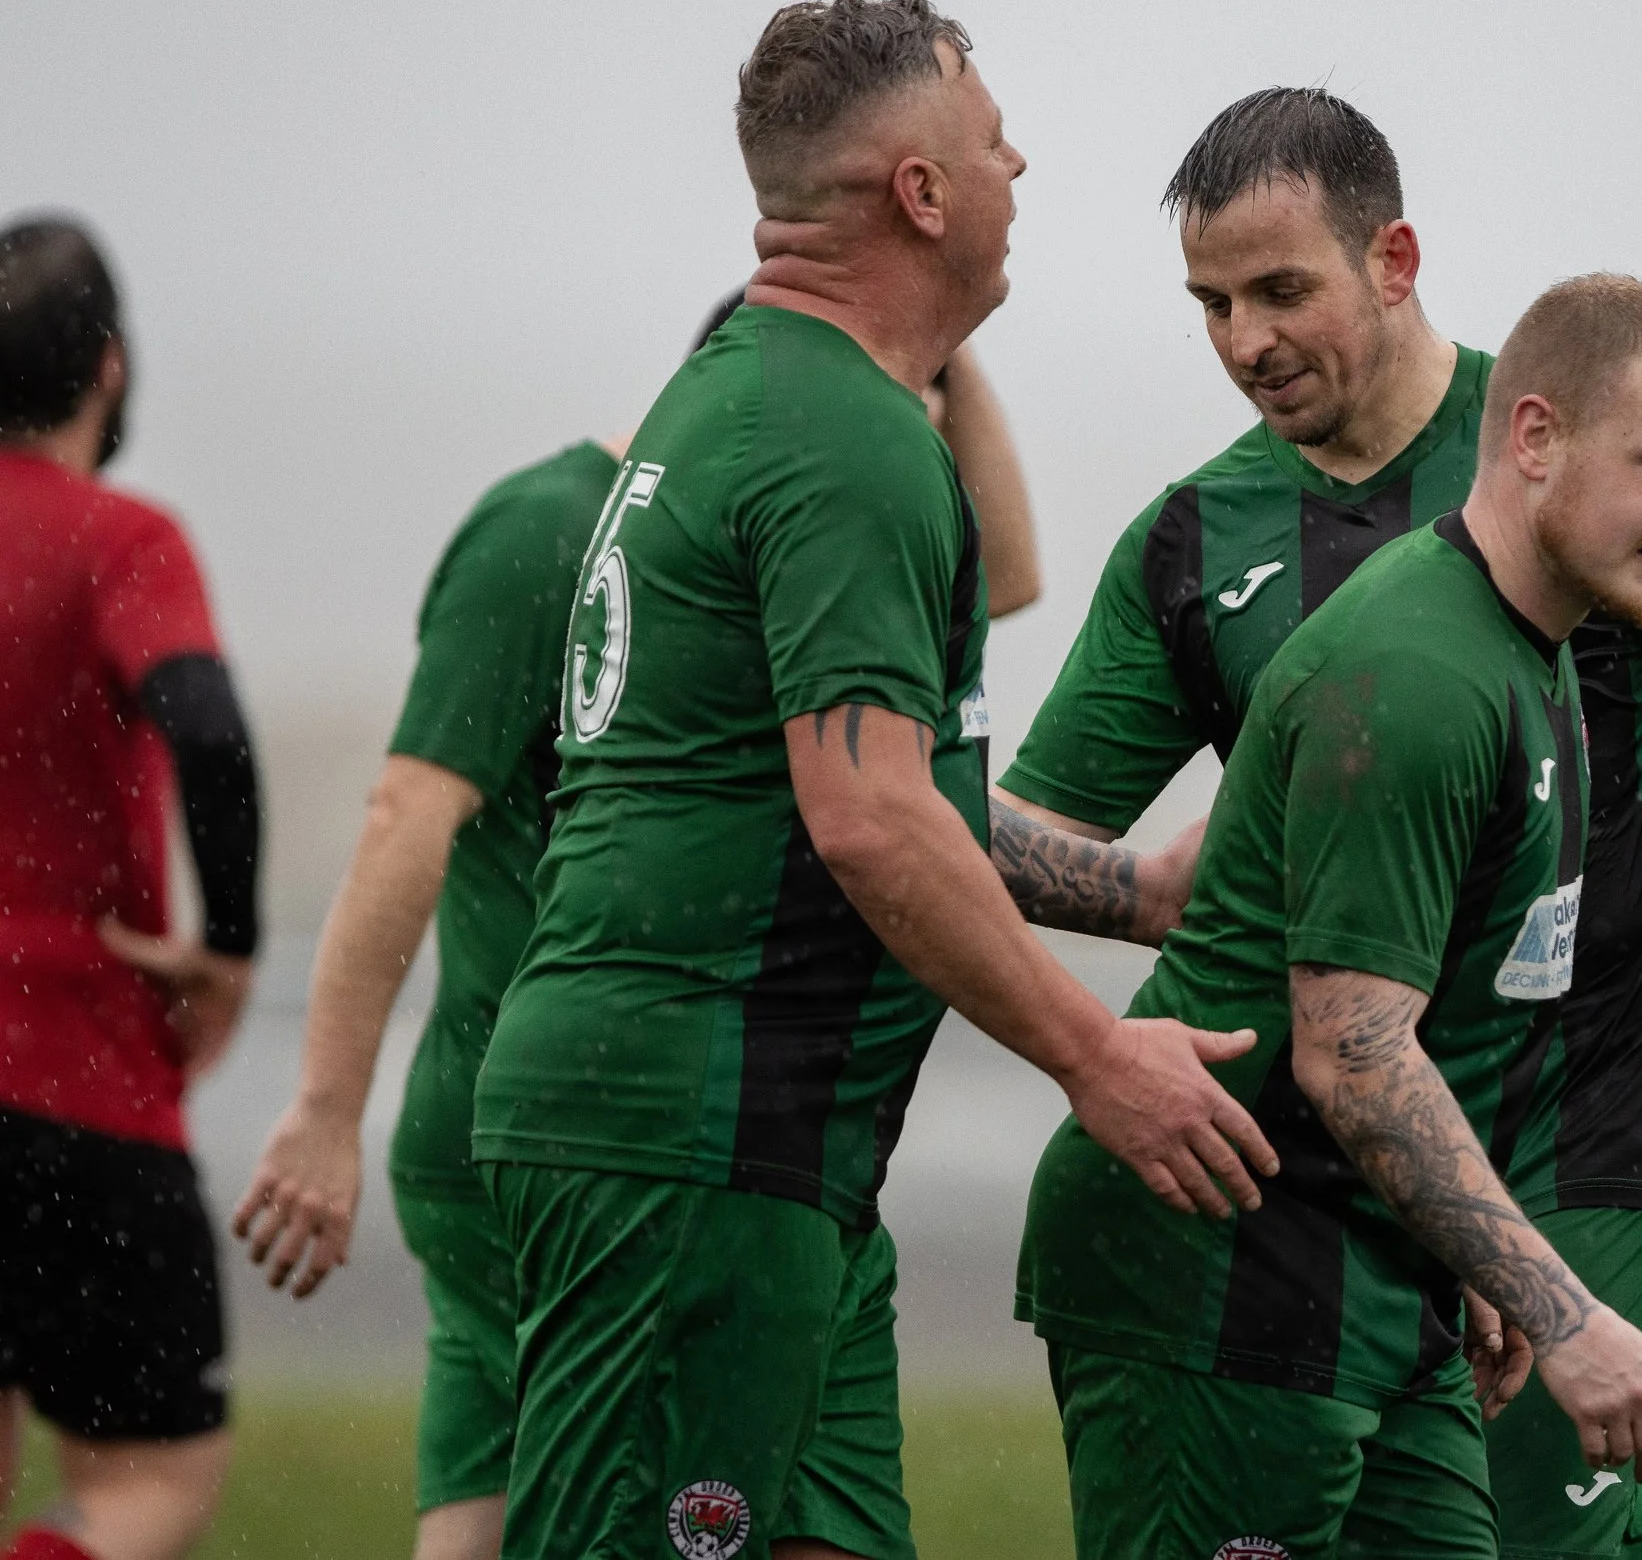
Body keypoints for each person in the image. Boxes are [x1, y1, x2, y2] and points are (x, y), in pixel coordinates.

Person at [1000, 90, 1642, 1559]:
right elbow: (1329, 1032)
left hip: (1583, 1139)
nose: (1245, 340)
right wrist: (1145, 900)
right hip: (1311, 1185)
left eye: (1281, 289)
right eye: (1214, 305)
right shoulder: (1292, 580)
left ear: (1395, 259)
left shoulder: (1606, 442)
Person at [466, 0, 1273, 1560]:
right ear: (921, 191)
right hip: (689, 1138)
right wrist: (1096, 1058)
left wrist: (1132, 890)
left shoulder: (753, 389)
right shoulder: (842, 436)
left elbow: (838, 787)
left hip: (767, 1153)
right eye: (994, 141)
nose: (1019, 165)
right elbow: (869, 821)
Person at [224, 271, 1043, 1560]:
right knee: (590, 1508)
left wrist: (939, 325)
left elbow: (1006, 572)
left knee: (520, 1510)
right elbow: (404, 815)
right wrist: (327, 1110)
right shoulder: (551, 527)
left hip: (716, 1123)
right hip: (584, 1116)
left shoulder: (783, 519)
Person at [1023, 272, 1642, 1558]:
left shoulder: (1530, 647)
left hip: (1372, 1265)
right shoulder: (1419, 673)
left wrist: (1475, 1254)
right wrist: (1565, 1309)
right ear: (1535, 438)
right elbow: (1353, 1054)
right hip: (1222, 1272)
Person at [0, 217, 264, 1560]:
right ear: (109, 366)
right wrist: (230, 945)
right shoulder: (120, 540)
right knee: (147, 1482)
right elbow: (206, 727)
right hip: (72, 1080)